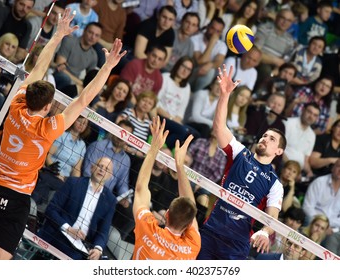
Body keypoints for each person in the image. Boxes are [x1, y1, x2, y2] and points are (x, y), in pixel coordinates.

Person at [0, 8, 125, 260]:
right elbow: (85, 98)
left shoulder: (16, 104)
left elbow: (38, 70)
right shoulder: (46, 129)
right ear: (47, 107)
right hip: (16, 199)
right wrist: (107, 67)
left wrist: (57, 35)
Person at [197, 64, 286, 260]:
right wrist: (225, 94)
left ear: (279, 151)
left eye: (272, 139)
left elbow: (272, 216)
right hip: (211, 232)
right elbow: (219, 128)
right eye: (264, 135)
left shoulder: (275, 183)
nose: (265, 139)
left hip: (236, 245)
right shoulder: (240, 153)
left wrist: (264, 231)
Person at [132, 117, 200, 259]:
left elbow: (140, 190)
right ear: (188, 224)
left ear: (167, 214)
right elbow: (190, 205)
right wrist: (180, 166)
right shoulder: (193, 246)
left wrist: (154, 149)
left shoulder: (148, 229)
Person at [37, 157, 117, 260]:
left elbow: (103, 231)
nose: (102, 170)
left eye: (106, 169)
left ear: (110, 176)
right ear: (92, 168)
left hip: (82, 245)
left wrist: (98, 249)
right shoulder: (73, 183)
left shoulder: (110, 200)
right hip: (59, 234)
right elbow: (51, 210)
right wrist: (68, 229)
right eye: (100, 166)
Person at [53, 21, 102, 93]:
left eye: (96, 35)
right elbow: (59, 67)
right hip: (59, 75)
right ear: (84, 31)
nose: (93, 37)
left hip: (75, 83)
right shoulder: (69, 41)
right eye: (90, 32)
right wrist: (80, 83)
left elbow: (91, 79)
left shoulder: (94, 55)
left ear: (99, 38)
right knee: (65, 78)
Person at [282, 102, 320, 178]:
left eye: (315, 115)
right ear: (303, 110)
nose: (311, 116)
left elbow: (305, 160)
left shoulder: (312, 135)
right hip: (282, 165)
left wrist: (309, 172)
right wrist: (293, 169)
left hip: (297, 172)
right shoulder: (288, 123)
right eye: (309, 112)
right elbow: (278, 148)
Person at [302, 158, 340, 233]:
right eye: (339, 166)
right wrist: (320, 224)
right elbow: (307, 207)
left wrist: (333, 229)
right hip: (314, 221)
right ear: (332, 168)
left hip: (332, 228)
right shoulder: (319, 182)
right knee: (312, 225)